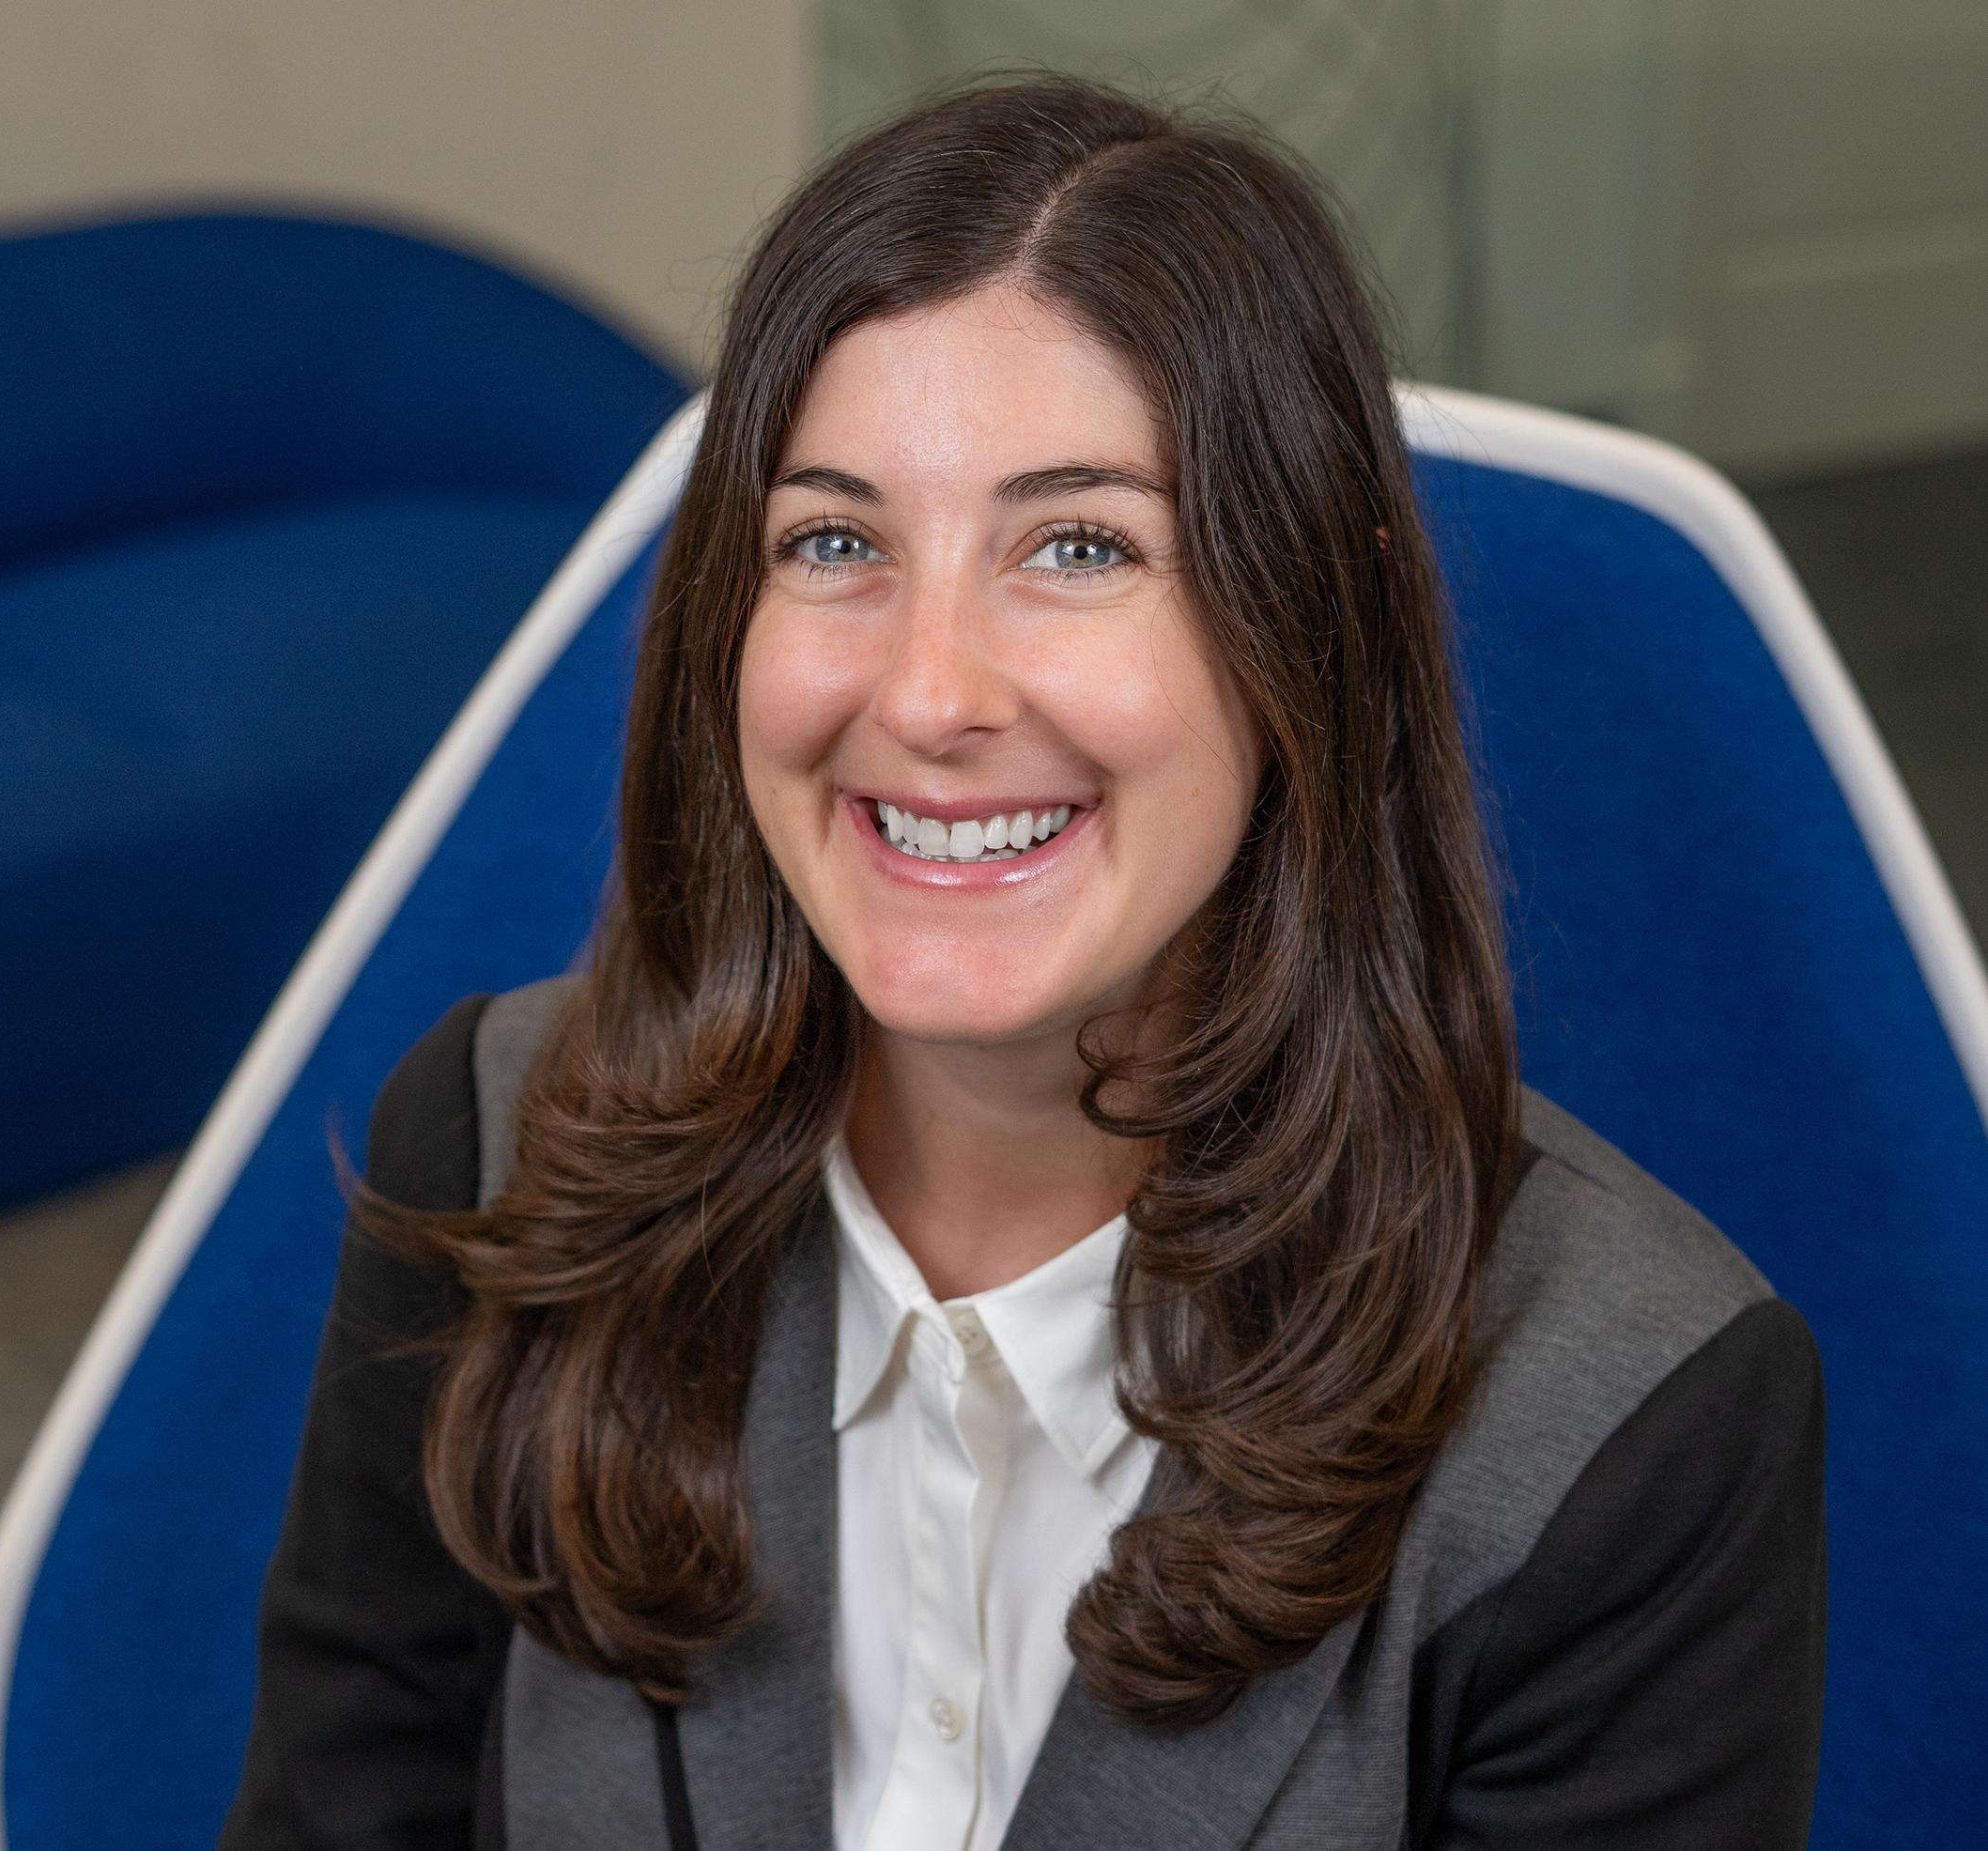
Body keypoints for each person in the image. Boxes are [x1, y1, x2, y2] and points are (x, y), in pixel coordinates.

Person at [218, 70, 1826, 1851]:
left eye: (1079, 546)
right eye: (834, 542)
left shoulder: (1637, 1414)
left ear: (1311, 617)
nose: (925, 693)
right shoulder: (503, 1142)